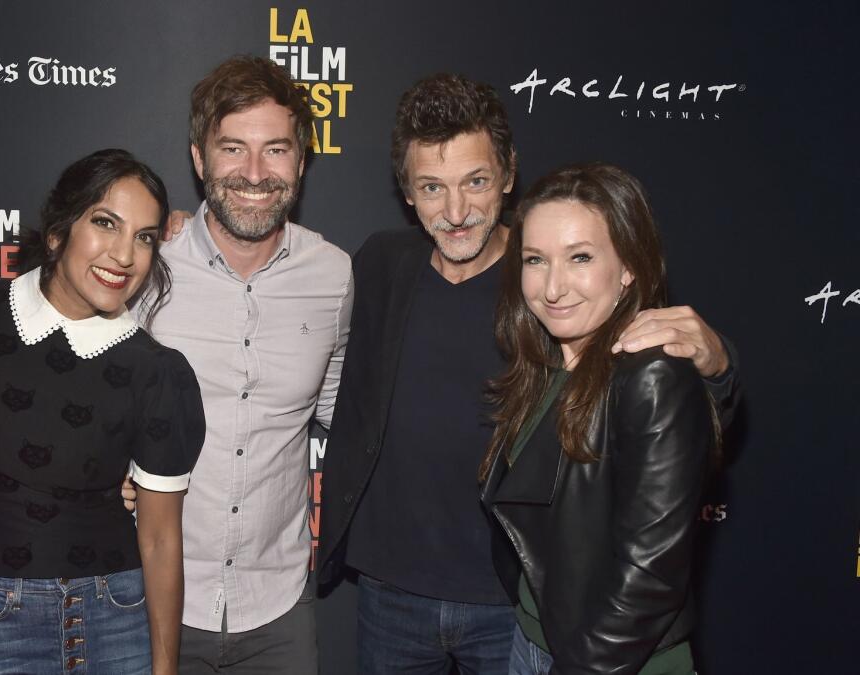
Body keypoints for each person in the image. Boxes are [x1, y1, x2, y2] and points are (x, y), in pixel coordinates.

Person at [317, 74, 739, 674]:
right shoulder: (383, 262)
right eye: (432, 187)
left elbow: (664, 422)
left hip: (515, 597)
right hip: (392, 592)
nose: (456, 211)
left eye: (476, 181)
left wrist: (718, 364)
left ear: (509, 176)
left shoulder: (553, 285)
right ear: (407, 192)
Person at [0, 148, 205, 675]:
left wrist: (165, 669)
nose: (124, 255)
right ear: (57, 231)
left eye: (143, 237)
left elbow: (162, 538)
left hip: (116, 615)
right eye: (105, 223)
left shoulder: (158, 371)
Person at [137, 55, 353, 674]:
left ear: (301, 162)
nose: (254, 173)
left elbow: (342, 413)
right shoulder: (148, 260)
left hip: (279, 607)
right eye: (233, 149)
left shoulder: (335, 276)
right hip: (148, 598)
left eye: (276, 150)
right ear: (200, 160)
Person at [479, 162, 715, 675]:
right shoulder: (544, 365)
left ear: (628, 266)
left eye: (580, 257)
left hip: (610, 662)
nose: (553, 287)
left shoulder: (653, 375)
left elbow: (651, 576)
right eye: (536, 259)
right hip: (534, 641)